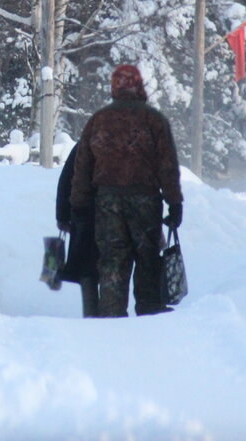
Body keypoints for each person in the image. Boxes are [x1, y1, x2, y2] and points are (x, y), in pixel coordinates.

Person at [70, 63, 183, 317]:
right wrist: (174, 203)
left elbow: (83, 167)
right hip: (146, 201)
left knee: (112, 261)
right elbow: (167, 166)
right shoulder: (154, 120)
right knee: (147, 258)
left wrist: (78, 205)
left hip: (107, 202)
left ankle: (111, 318)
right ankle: (149, 312)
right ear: (140, 86)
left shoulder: (98, 120)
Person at [55, 146, 99, 317]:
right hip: (109, 216)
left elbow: (65, 180)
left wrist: (62, 217)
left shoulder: (86, 141)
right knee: (111, 267)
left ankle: (91, 314)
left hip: (84, 215)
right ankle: (112, 315)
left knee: (87, 270)